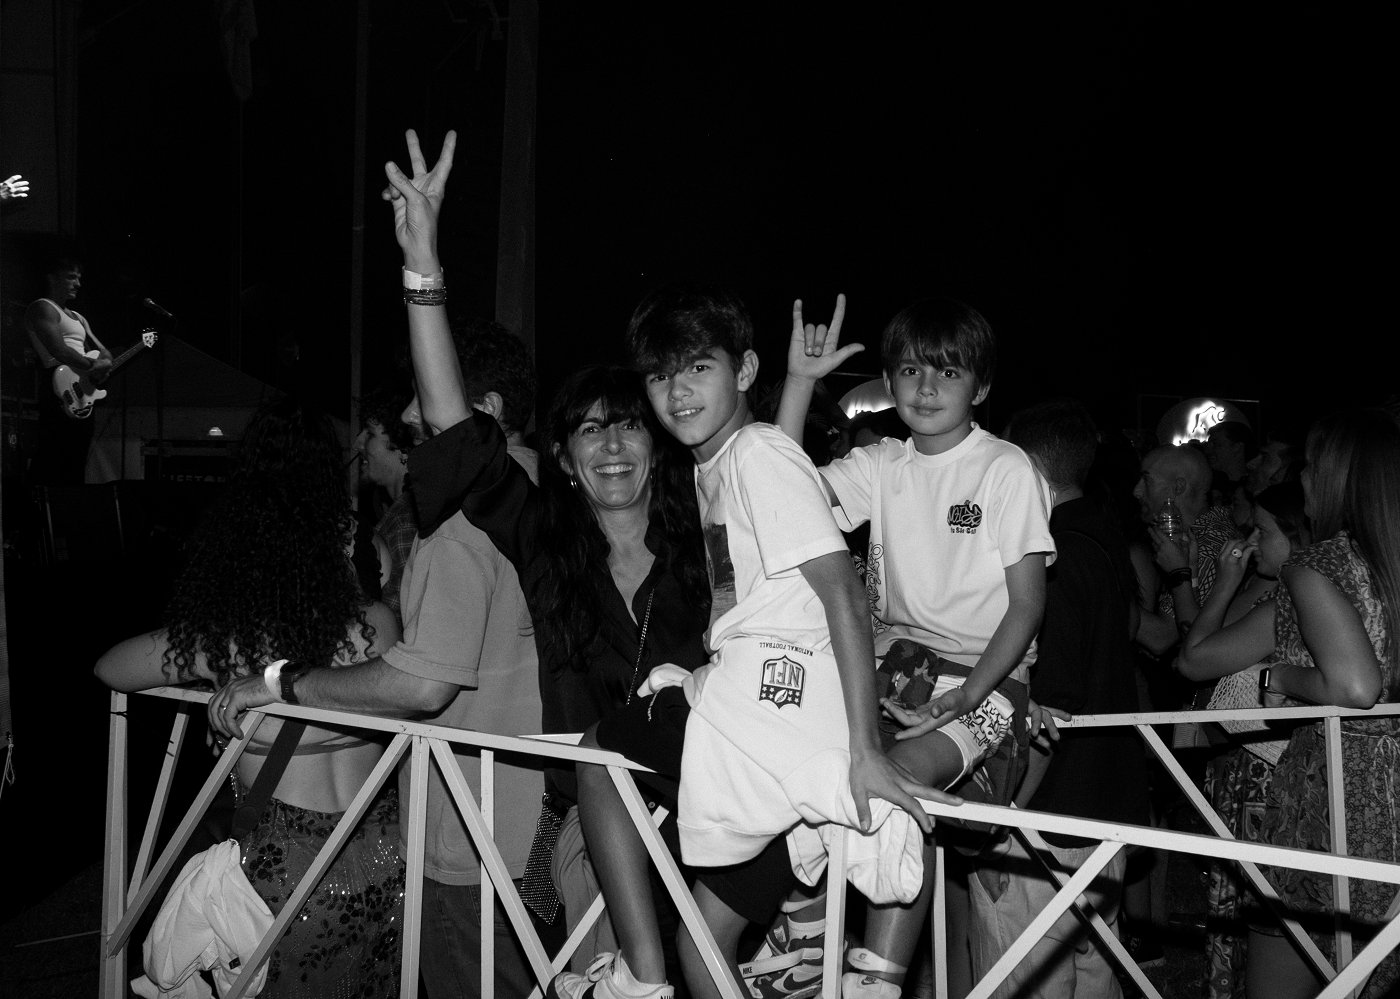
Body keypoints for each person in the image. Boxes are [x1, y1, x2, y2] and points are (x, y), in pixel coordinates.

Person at [211, 129, 545, 999]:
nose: (408, 420)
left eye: (426, 404)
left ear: (484, 408)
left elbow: (420, 683)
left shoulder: (467, 522)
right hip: (537, 835)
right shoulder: (551, 499)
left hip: (472, 846)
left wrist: (282, 681)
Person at [776, 295, 1054, 999]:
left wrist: (971, 693)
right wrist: (800, 383)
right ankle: (808, 927)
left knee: (894, 782)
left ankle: (879, 976)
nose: (926, 387)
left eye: (948, 372)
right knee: (798, 754)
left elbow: (1028, 605)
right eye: (910, 370)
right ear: (889, 382)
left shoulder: (1006, 469)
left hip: (985, 683)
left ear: (980, 387)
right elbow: (779, 493)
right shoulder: (882, 463)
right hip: (893, 670)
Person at [95, 396, 405, 998]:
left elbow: (110, 667)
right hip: (385, 846)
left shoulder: (231, 641)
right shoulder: (378, 626)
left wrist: (205, 667)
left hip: (285, 866)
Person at [958, 397, 1148, 999]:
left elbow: (1049, 711)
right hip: (1103, 809)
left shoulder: (1054, 560)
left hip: (1045, 822)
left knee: (1022, 981)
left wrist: (1003, 824)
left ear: (1028, 469)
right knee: (1093, 978)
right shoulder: (1104, 536)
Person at [1246, 407, 1400, 999]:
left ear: (1336, 475)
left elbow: (1355, 688)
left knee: (1295, 956)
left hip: (1339, 789)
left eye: (1310, 465)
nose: (1302, 478)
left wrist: (1280, 676)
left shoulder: (1318, 565)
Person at [1174, 482, 1311, 999]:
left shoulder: (1292, 599)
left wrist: (1224, 582)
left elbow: (1194, 659)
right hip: (1246, 763)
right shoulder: (1275, 588)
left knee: (1267, 911)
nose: (1252, 541)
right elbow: (1203, 641)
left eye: (1264, 531)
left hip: (1269, 775)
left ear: (1298, 537)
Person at [25, 254, 112, 484]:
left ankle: (71, 501)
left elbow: (102, 350)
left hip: (82, 388)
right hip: (55, 383)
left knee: (77, 455)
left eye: (79, 278)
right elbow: (59, 350)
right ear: (52, 278)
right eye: (71, 277)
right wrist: (93, 366)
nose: (78, 283)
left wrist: (103, 361)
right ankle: (40, 501)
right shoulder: (42, 308)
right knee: (53, 452)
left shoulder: (79, 318)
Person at [352, 381, 418, 624]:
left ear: (401, 447)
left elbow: (398, 620)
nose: (358, 443)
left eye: (370, 433)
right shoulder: (400, 514)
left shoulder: (405, 522)